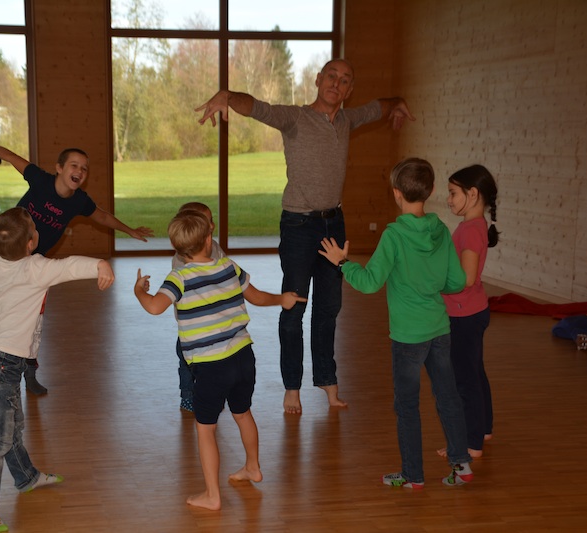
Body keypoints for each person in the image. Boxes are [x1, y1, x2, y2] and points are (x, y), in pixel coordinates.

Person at [195, 59, 415, 414]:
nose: (337, 83)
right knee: (294, 305)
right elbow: (257, 108)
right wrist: (227, 95)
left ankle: (328, 383)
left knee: (329, 308)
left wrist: (399, 103)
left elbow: (381, 107)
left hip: (334, 224)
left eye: (345, 80)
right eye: (331, 76)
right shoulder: (295, 118)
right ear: (317, 79)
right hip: (298, 226)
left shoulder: (347, 120)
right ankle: (292, 387)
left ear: (349, 89)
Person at [0, 206, 115, 532]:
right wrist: (100, 263)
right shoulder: (36, 268)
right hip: (0, 363)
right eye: (33, 226)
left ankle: (26, 477)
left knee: (11, 427)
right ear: (31, 243)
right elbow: (70, 266)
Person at [0, 135, 153, 395]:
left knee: (34, 323)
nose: (79, 171)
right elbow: (13, 158)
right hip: (6, 240)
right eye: (74, 165)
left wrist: (129, 230)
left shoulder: (79, 200)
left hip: (34, 267)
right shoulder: (40, 179)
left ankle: (30, 373)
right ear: (59, 168)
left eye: (84, 168)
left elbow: (101, 215)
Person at [134, 210, 305, 510]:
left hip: (211, 366)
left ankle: (212, 496)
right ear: (208, 240)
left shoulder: (179, 278)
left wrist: (139, 291)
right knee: (243, 413)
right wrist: (282, 299)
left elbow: (154, 308)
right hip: (243, 356)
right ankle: (253, 466)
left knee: (205, 428)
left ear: (178, 248)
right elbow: (258, 297)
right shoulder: (227, 266)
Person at [319, 158, 473, 488]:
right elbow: (457, 282)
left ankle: (413, 476)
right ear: (431, 191)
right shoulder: (441, 230)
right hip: (439, 329)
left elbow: (369, 282)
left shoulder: (394, 235)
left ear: (396, 193)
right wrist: (434, 286)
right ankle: (462, 465)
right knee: (448, 398)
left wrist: (342, 263)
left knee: (406, 406)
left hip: (408, 337)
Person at [438, 165, 500, 459]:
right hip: (475, 311)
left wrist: (434, 286)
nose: (448, 199)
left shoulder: (470, 231)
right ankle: (483, 429)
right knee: (475, 371)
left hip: (463, 317)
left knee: (464, 380)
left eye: (453, 193)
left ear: (472, 194)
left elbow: (467, 278)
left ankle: (471, 442)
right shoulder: (475, 226)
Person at [170, 202, 224, 413]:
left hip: (214, 322)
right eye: (206, 221)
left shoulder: (216, 248)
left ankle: (210, 394)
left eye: (211, 220)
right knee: (187, 362)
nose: (212, 225)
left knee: (213, 363)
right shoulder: (180, 261)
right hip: (191, 326)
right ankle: (187, 395)